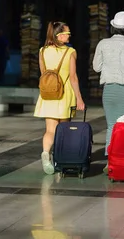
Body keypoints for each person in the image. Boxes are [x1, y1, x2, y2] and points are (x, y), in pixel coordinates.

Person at [92, 11, 124, 172]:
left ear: (113, 27)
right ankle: (123, 159)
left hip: (109, 90)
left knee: (111, 126)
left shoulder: (102, 44)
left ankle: (110, 162)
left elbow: (96, 67)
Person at [33, 21, 85, 175]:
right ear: (59, 35)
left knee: (50, 130)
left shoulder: (42, 51)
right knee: (63, 130)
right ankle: (60, 158)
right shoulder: (70, 52)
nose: (70, 35)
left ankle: (45, 153)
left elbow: (44, 74)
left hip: (48, 94)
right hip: (64, 94)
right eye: (67, 33)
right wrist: (79, 99)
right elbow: (73, 77)